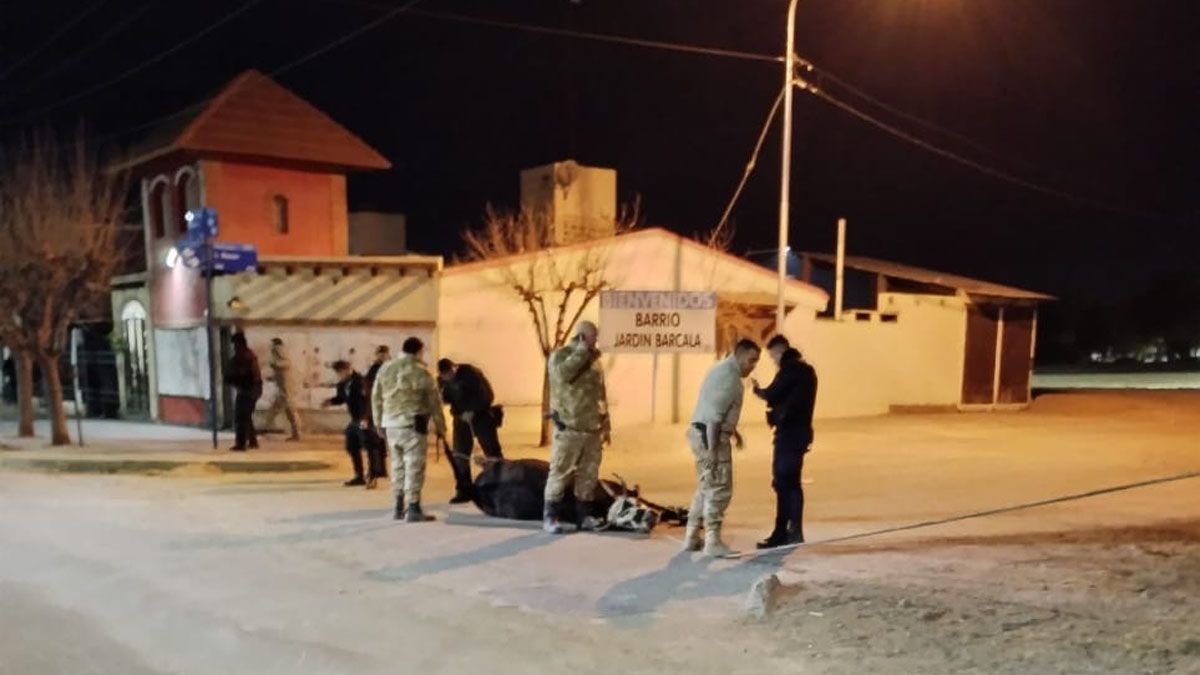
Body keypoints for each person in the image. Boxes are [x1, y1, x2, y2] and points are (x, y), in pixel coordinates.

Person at [683, 338, 761, 558]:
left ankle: (691, 536)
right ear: (739, 355)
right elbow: (714, 419)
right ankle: (712, 540)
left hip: (702, 433)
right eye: (751, 360)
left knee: (705, 486)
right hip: (710, 437)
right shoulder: (730, 378)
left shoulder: (720, 369)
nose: (753, 366)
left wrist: (734, 432)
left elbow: (716, 410)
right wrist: (713, 453)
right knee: (719, 489)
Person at [542, 320, 610, 535]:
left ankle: (584, 515)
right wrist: (581, 351)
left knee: (588, 475)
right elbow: (563, 375)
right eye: (592, 336)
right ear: (581, 337)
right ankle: (551, 516)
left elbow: (600, 395)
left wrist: (606, 423)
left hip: (592, 429)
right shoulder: (560, 356)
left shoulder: (594, 361)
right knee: (560, 472)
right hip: (569, 427)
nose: (596, 340)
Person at [752, 335, 818, 549]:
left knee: (783, 482)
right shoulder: (808, 371)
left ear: (780, 352)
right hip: (801, 434)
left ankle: (782, 531)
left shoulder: (789, 370)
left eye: (773, 357)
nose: (774, 361)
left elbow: (772, 393)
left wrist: (757, 390)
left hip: (788, 434)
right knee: (792, 483)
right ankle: (794, 530)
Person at [372, 336, 446, 522]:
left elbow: (376, 397)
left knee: (397, 465)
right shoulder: (421, 371)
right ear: (419, 351)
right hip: (413, 424)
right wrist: (441, 427)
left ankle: (398, 505)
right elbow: (434, 402)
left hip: (391, 424)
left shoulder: (386, 368)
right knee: (414, 466)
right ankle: (413, 507)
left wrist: (378, 422)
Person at [437, 358, 504, 503]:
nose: (448, 378)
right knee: (460, 455)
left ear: (454, 368)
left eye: (449, 374)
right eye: (445, 377)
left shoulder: (470, 374)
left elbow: (487, 395)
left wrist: (473, 410)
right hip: (460, 419)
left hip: (481, 417)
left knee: (491, 453)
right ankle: (464, 490)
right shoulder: (442, 381)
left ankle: (499, 486)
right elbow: (446, 398)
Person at [323, 360, 385, 489]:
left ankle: (373, 475)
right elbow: (342, 398)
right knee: (351, 445)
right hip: (355, 419)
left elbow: (367, 402)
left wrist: (365, 418)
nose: (340, 375)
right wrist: (330, 401)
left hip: (365, 418)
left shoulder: (360, 381)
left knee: (370, 446)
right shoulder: (342, 384)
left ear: (348, 369)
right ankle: (359, 475)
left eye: (341, 372)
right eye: (338, 373)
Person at [224, 332, 263, 451]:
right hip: (253, 389)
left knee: (240, 417)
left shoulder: (243, 356)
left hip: (248, 390)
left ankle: (241, 444)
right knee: (246, 416)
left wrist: (231, 378)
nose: (234, 347)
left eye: (234, 344)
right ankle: (252, 441)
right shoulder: (248, 354)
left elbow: (242, 374)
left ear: (239, 344)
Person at [263, 338, 302, 441]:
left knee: (290, 410)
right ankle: (267, 428)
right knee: (276, 408)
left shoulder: (279, 351)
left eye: (271, 345)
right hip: (282, 388)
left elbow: (285, 364)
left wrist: (273, 364)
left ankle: (296, 433)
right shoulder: (279, 353)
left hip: (285, 389)